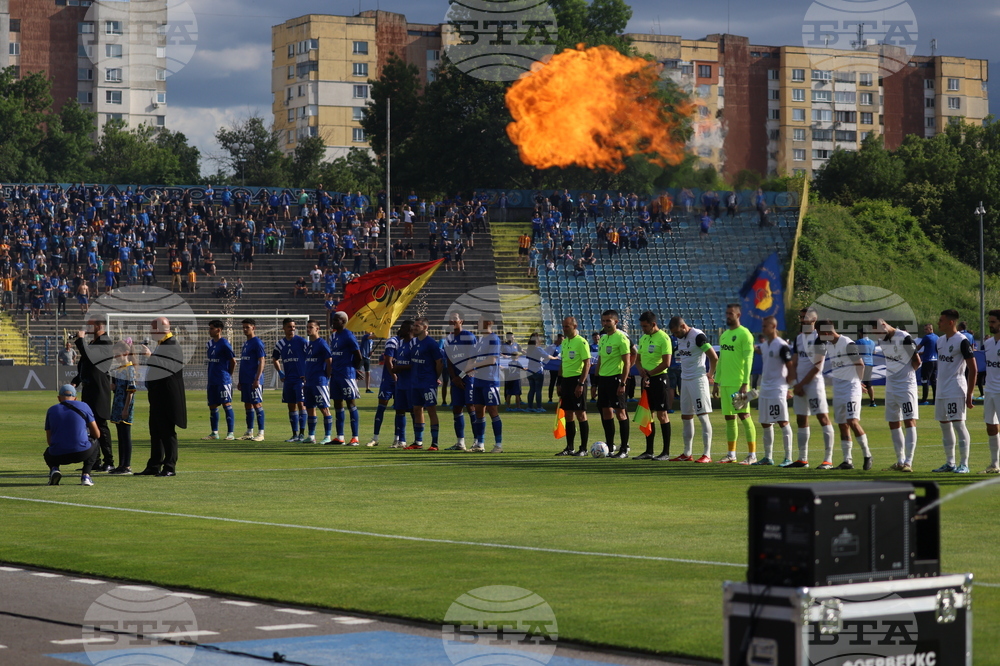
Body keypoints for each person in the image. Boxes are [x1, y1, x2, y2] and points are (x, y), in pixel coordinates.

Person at [817, 321, 872, 470]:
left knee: (852, 421)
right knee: (842, 425)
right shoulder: (829, 345)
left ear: (827, 333)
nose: (820, 337)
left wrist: (858, 383)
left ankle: (867, 455)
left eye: (821, 334)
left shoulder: (848, 343)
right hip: (839, 389)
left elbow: (860, 364)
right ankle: (847, 461)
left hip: (851, 389)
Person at [137, 317, 187, 477]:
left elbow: (169, 366)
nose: (150, 332)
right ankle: (154, 465)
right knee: (156, 431)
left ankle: (170, 466)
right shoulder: (162, 345)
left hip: (167, 397)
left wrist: (150, 356)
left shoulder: (172, 345)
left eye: (152, 329)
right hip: (158, 396)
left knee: (167, 431)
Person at [788, 307, 835, 468]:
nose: (801, 319)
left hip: (814, 385)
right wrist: (795, 383)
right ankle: (802, 459)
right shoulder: (799, 338)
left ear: (814, 319)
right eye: (800, 317)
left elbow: (817, 366)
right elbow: (794, 362)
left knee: (822, 417)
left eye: (805, 317)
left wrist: (801, 384)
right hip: (800, 386)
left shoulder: (819, 338)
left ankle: (828, 459)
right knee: (801, 418)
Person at [873, 318, 921, 472]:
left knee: (909, 421)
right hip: (891, 386)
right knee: (893, 422)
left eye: (879, 332)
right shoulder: (883, 340)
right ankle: (900, 461)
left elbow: (917, 361)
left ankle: (909, 461)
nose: (878, 336)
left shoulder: (904, 337)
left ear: (884, 325)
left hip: (906, 386)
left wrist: (905, 376)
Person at [932, 309, 977, 474]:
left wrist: (970, 393)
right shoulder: (940, 341)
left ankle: (964, 464)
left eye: (941, 320)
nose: (938, 323)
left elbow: (973, 369)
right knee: (944, 425)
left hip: (955, 388)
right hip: (941, 389)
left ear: (951, 322)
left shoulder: (962, 341)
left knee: (958, 424)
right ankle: (950, 463)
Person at [712, 304, 757, 464]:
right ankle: (731, 454)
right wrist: (716, 382)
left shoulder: (745, 334)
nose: (728, 316)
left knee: (744, 416)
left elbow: (748, 361)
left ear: (739, 315)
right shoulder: (724, 335)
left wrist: (745, 383)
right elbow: (722, 360)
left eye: (731, 313)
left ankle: (752, 455)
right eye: (727, 313)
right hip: (725, 383)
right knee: (729, 418)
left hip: (739, 383)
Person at [667, 316, 717, 462]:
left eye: (677, 332)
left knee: (702, 416)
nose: (676, 336)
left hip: (698, 380)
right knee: (686, 416)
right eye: (673, 334)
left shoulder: (698, 336)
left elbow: (713, 357)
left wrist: (710, 374)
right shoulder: (681, 337)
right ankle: (687, 453)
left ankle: (707, 454)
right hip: (685, 379)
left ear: (683, 326)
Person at [72, 319, 114, 472]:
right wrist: (76, 381)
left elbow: (91, 359)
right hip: (89, 389)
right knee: (89, 425)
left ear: (99, 326)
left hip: (99, 390)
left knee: (101, 425)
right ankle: (93, 460)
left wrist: (81, 339)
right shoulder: (94, 343)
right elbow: (86, 366)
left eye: (90, 325)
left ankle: (109, 460)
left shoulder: (105, 342)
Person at [753, 316, 794, 466]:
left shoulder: (781, 345)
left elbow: (790, 366)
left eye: (765, 326)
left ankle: (788, 457)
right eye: (762, 326)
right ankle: (768, 457)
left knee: (782, 421)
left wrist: (787, 387)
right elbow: (758, 350)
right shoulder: (766, 345)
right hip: (765, 389)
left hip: (777, 389)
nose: (763, 329)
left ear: (773, 327)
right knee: (765, 422)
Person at [596, 310, 636, 458]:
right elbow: (600, 359)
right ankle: (610, 446)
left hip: (617, 379)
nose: (605, 323)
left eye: (608, 321)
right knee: (606, 412)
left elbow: (627, 362)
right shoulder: (604, 339)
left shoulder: (621, 338)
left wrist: (623, 382)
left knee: (620, 412)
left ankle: (624, 448)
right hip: (603, 379)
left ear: (616, 322)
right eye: (603, 321)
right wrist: (596, 380)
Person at [44, 384, 101, 486]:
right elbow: (96, 434)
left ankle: (54, 469)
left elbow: (50, 441)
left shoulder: (51, 410)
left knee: (47, 453)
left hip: (58, 455)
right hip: (82, 452)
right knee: (95, 441)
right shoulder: (84, 406)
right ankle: (86, 475)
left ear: (58, 398)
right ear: (75, 398)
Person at [634, 311, 672, 460]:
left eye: (645, 326)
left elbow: (666, 363)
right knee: (648, 415)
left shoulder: (663, 338)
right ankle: (649, 450)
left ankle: (665, 452)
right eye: (642, 326)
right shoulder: (643, 338)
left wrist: (650, 373)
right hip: (647, 380)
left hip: (659, 379)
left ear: (653, 324)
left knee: (662, 415)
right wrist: (641, 370)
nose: (643, 329)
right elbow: (637, 359)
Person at [555, 316, 591, 456]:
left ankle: (584, 448)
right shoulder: (564, 343)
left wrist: (581, 383)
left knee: (580, 413)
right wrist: (559, 382)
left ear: (574, 327)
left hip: (577, 380)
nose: (564, 329)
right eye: (563, 326)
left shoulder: (581, 342)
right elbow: (562, 363)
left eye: (567, 327)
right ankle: (570, 447)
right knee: (568, 414)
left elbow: (587, 363)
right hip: (566, 381)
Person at [407, 317, 445, 450]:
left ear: (425, 327)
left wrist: (435, 377)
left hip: (428, 382)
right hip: (415, 382)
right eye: (414, 325)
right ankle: (418, 442)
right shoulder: (414, 342)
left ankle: (434, 443)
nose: (415, 327)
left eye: (418, 326)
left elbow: (439, 362)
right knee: (417, 409)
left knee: (431, 410)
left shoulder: (431, 343)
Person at [367, 321, 406, 448]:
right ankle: (375, 438)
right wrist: (394, 376)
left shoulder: (409, 343)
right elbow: (388, 361)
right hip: (388, 380)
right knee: (381, 407)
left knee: (400, 409)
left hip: (402, 380)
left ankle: (397, 439)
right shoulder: (392, 341)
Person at [468, 320, 504, 453]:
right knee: (478, 410)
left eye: (480, 321)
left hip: (490, 380)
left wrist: (473, 365)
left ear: (489, 322)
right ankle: (480, 444)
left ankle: (498, 445)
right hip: (478, 380)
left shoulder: (494, 339)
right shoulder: (480, 340)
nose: (477, 324)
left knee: (492, 410)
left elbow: (492, 360)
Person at [443, 313, 477, 450]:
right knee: (456, 408)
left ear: (461, 321)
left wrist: (461, 376)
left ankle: (477, 441)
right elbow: (449, 361)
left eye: (455, 319)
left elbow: (473, 359)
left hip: (468, 377)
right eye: (450, 319)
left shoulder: (469, 336)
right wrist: (454, 378)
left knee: (471, 407)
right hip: (456, 379)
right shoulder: (449, 339)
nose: (452, 321)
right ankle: (460, 442)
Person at [329, 311, 363, 446]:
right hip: (336, 374)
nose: (333, 321)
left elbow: (358, 356)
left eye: (336, 320)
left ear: (343, 321)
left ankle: (355, 437)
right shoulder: (334, 336)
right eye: (333, 319)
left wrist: (354, 370)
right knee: (338, 405)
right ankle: (340, 437)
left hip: (346, 375)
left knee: (351, 404)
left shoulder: (348, 336)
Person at [273, 318, 308, 442]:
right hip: (288, 380)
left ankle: (302, 434)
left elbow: (310, 356)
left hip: (300, 379)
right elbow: (275, 358)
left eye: (293, 326)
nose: (292, 329)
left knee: (301, 404)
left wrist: (306, 373)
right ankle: (294, 434)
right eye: (289, 327)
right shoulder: (280, 344)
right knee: (291, 406)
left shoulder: (302, 341)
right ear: (284, 328)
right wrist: (280, 372)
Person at [202, 319, 236, 441]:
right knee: (212, 406)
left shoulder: (225, 344)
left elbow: (233, 361)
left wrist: (228, 375)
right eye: (209, 328)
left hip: (223, 380)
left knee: (227, 405)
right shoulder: (209, 344)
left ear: (219, 330)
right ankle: (214, 433)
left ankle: (230, 433)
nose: (209, 331)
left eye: (212, 328)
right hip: (212, 380)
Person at [108, 341, 137, 475]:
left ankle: (127, 465)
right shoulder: (119, 369)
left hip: (124, 406)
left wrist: (126, 409)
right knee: (120, 436)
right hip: (118, 405)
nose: (115, 357)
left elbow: (130, 391)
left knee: (125, 436)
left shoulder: (129, 369)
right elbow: (117, 388)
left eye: (117, 354)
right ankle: (121, 464)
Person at [302, 319, 333, 444]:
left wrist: (327, 376)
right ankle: (311, 436)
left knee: (324, 408)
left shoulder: (322, 343)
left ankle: (328, 436)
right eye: (307, 327)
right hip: (309, 382)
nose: (308, 329)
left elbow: (329, 361)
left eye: (311, 327)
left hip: (320, 381)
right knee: (310, 408)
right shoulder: (310, 344)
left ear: (317, 329)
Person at [237, 318, 266, 441]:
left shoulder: (257, 343)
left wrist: (257, 379)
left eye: (247, 327)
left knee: (257, 404)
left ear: (253, 328)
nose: (244, 329)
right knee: (247, 405)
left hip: (254, 380)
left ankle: (261, 433)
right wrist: (240, 380)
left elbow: (262, 361)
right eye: (243, 327)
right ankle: (249, 432)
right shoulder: (246, 343)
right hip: (245, 380)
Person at [389, 320, 414, 448]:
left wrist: (400, 367)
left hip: (411, 383)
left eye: (403, 327)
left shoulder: (414, 344)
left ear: (409, 330)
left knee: (414, 411)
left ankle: (417, 440)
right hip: (401, 383)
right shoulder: (400, 344)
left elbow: (416, 364)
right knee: (399, 410)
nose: (400, 329)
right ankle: (401, 440)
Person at [980, 310, 1000, 474]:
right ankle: (994, 464)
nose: (990, 325)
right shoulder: (987, 343)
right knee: (991, 427)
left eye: (993, 322)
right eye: (990, 322)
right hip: (990, 391)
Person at [854, 327, 877, 407]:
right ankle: (872, 401)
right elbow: (874, 352)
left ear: (860, 333)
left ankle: (857, 401)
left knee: (857, 382)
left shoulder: (858, 342)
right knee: (869, 383)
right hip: (870, 364)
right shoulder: (872, 342)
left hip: (861, 364)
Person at [917, 323, 939, 405]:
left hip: (927, 361)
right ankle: (935, 399)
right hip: (935, 361)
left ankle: (924, 399)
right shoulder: (937, 337)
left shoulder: (927, 337)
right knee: (934, 381)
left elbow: (918, 347)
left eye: (926, 329)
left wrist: (913, 352)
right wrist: (923, 353)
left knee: (925, 380)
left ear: (930, 329)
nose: (925, 331)